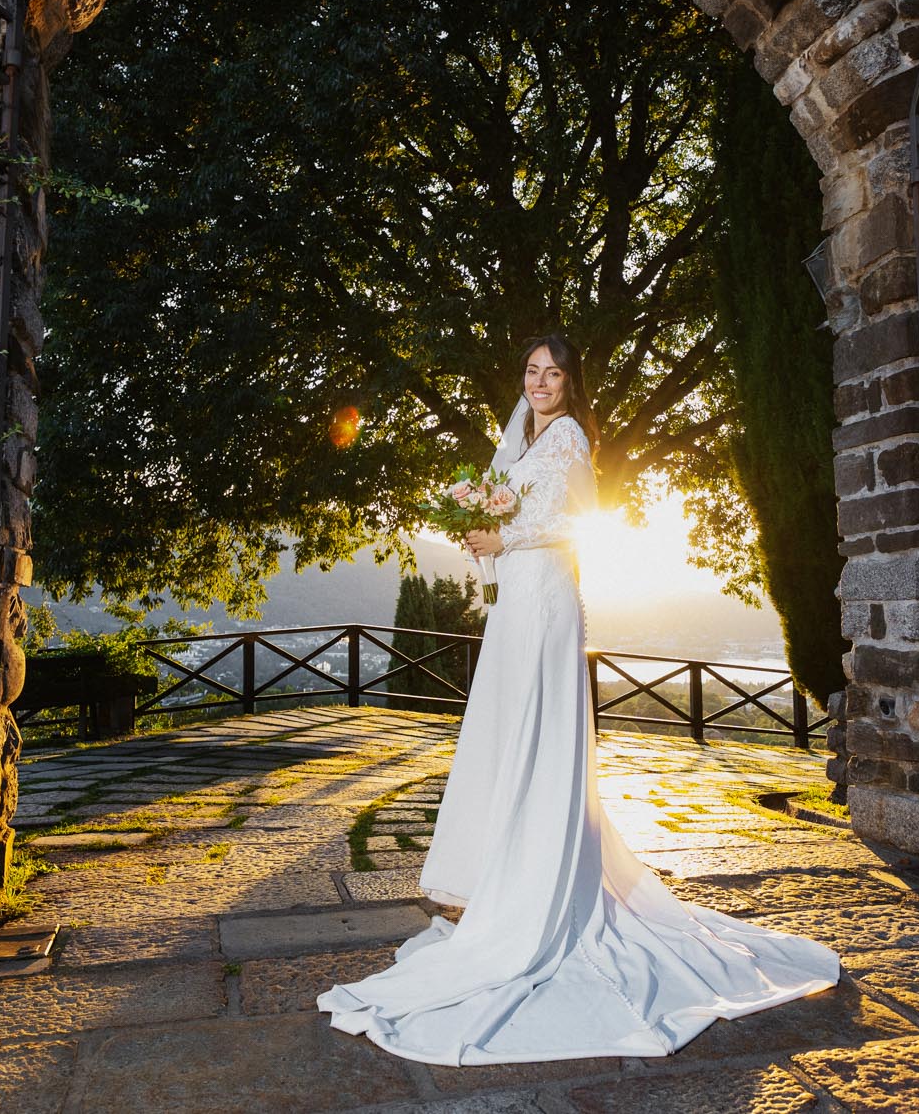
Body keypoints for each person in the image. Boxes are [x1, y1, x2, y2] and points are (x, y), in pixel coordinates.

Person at [317, 333, 841, 1064]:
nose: (539, 382)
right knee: (505, 735)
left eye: (553, 373)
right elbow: (505, 510)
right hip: (512, 606)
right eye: (532, 371)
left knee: (539, 735)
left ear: (569, 383)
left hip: (548, 600)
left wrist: (505, 533)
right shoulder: (519, 437)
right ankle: (491, 876)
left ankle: (536, 886)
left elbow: (578, 521)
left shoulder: (568, 437)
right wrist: (479, 533)